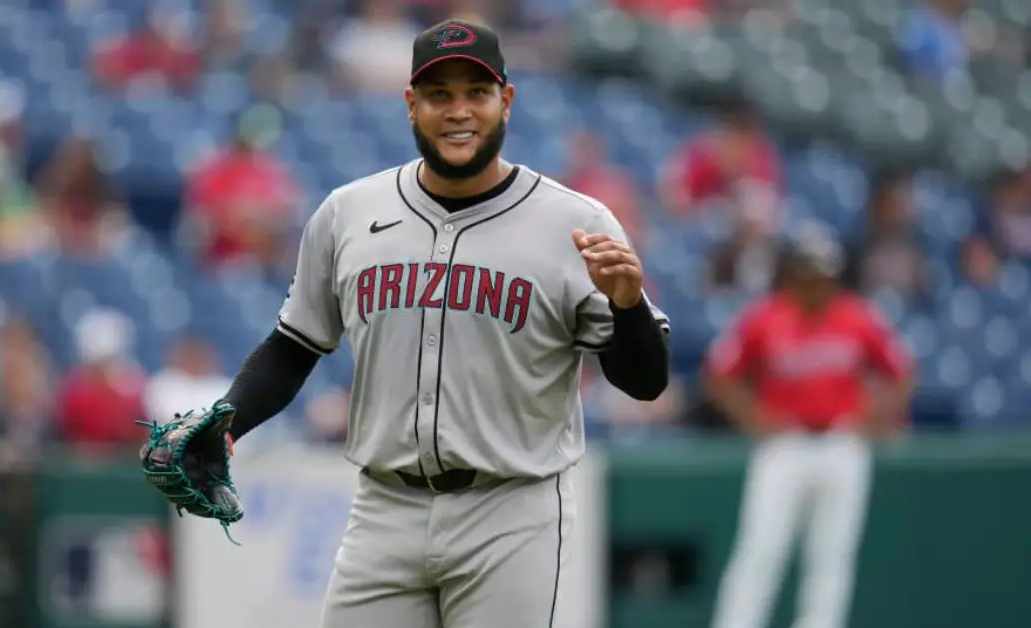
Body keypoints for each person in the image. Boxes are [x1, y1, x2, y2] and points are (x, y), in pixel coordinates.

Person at [192, 18, 671, 628]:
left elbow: (644, 381)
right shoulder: (348, 213)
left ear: (507, 100)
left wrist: (628, 304)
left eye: (477, 92)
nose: (459, 110)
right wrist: (228, 422)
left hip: (512, 512)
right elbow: (294, 345)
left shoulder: (575, 221)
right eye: (440, 94)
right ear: (411, 104)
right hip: (382, 510)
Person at [703, 233, 915, 628]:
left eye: (823, 275)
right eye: (808, 274)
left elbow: (901, 372)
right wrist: (753, 417)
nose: (816, 283)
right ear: (791, 275)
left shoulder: (857, 317)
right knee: (762, 549)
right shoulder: (767, 317)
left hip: (841, 442)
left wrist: (873, 416)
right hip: (786, 445)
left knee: (832, 555)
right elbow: (720, 374)